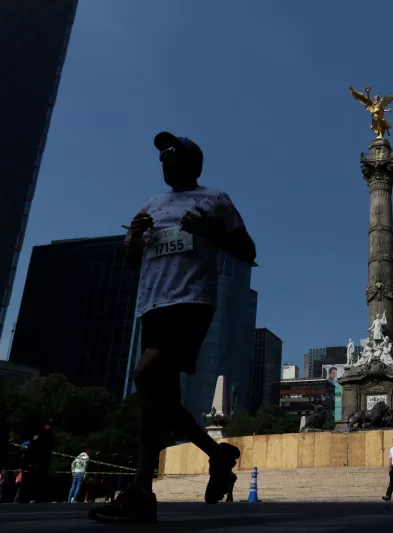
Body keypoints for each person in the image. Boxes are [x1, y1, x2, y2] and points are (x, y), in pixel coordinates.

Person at [89, 132, 255, 524]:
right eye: (162, 155)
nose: (164, 159)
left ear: (193, 163)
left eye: (172, 154)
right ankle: (217, 454)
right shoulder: (151, 204)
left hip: (190, 301)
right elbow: (133, 261)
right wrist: (133, 237)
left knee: (146, 375)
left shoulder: (215, 199)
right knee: (159, 396)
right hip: (152, 305)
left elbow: (247, 250)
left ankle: (141, 492)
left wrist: (209, 230)